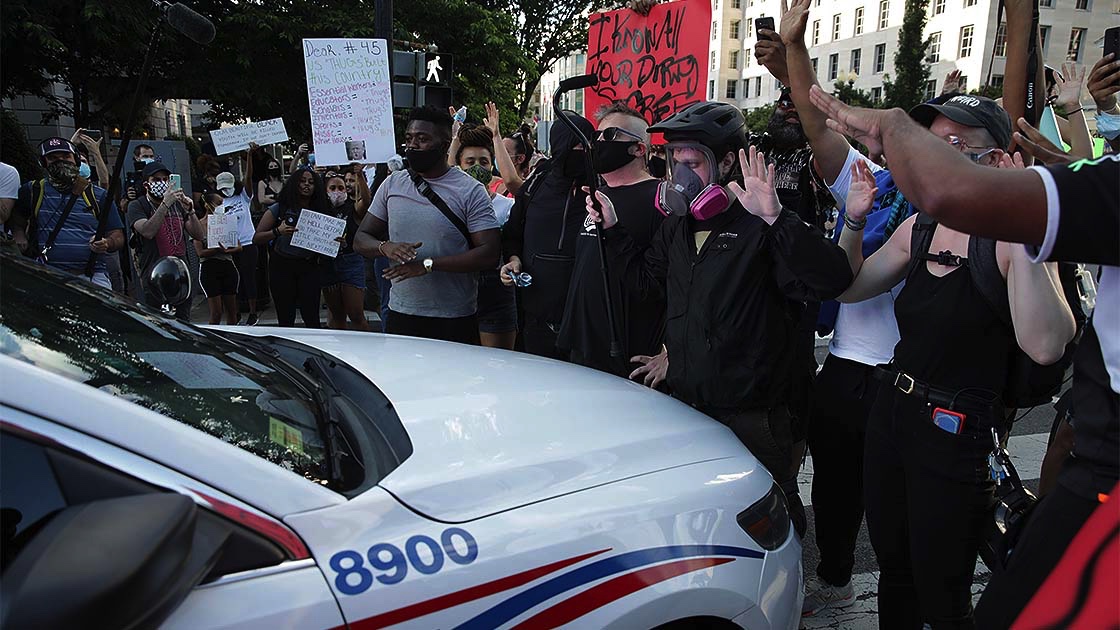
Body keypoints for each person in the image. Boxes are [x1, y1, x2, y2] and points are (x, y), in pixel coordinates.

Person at [809, 86, 1120, 630]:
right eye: (932, 143)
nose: (936, 157)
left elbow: (1046, 343)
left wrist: (1017, 227)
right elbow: (852, 287)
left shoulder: (1010, 241)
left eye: (956, 143)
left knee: (942, 585)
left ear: (996, 159)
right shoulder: (920, 226)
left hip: (959, 432)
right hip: (893, 413)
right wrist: (854, 221)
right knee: (893, 567)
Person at [586, 101, 853, 540]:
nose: (681, 172)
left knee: (771, 518)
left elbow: (831, 280)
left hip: (756, 415)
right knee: (708, 519)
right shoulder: (676, 227)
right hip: (692, 406)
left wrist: (776, 219)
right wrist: (613, 231)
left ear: (727, 161)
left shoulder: (762, 220)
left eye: (693, 161)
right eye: (674, 160)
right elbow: (646, 287)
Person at [766, 5, 916, 616]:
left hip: (910, 379)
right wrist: (795, 56)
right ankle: (833, 577)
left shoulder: (958, 205)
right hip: (848, 369)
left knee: (897, 498)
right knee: (832, 487)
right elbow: (818, 125)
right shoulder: (872, 185)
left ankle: (905, 591)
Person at [354, 106, 501, 344]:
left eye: (422, 139)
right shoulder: (393, 184)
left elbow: (489, 254)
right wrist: (385, 247)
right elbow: (361, 239)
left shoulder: (470, 190)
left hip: (454, 319)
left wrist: (428, 264)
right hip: (401, 314)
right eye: (409, 139)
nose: (413, 145)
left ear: (444, 145)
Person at [556, 102, 665, 376]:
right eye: (597, 135)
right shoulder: (595, 195)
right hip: (581, 346)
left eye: (611, 135)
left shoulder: (661, 199)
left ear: (639, 148)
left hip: (627, 354)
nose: (598, 142)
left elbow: (664, 283)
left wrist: (669, 349)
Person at [500, 110, 594, 358]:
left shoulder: (602, 189)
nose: (583, 151)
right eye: (576, 145)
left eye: (588, 144)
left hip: (587, 324)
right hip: (536, 320)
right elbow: (512, 234)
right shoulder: (535, 186)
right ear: (560, 145)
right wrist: (513, 259)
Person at [10, 137, 124, 289]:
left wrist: (107, 243)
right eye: (53, 158)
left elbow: (117, 235)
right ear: (44, 163)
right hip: (46, 274)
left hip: (91, 275)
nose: (61, 161)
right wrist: (19, 234)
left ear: (76, 159)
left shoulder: (98, 195)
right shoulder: (32, 191)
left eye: (66, 156)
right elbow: (17, 219)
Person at [455, 125, 518, 349]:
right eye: (470, 162)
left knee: (498, 365)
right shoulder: (450, 207)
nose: (477, 167)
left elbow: (514, 245)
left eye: (483, 162)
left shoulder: (508, 206)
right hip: (458, 288)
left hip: (496, 289)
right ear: (459, 166)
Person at [126, 161, 205, 319]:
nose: (162, 183)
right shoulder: (137, 205)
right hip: (155, 275)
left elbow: (198, 235)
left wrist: (190, 212)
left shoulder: (178, 205)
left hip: (181, 274)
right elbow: (147, 231)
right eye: (156, 180)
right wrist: (165, 204)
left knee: (183, 320)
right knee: (158, 321)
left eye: (166, 179)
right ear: (146, 185)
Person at [253, 168, 327, 328]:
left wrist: (336, 241)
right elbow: (257, 238)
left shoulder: (321, 209)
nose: (306, 185)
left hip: (309, 267)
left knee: (312, 318)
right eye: (302, 181)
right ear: (294, 183)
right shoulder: (279, 208)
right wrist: (277, 231)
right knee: (286, 318)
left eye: (311, 182)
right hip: (282, 267)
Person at [322, 167, 372, 331]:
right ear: (326, 191)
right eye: (333, 188)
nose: (337, 191)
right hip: (328, 263)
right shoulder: (321, 209)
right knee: (337, 316)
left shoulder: (353, 207)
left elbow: (366, 201)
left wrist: (360, 177)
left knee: (356, 315)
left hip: (350, 261)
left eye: (341, 188)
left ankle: (369, 350)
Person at [215, 147, 260, 325]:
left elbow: (249, 177)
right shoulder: (219, 201)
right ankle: (235, 312)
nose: (226, 190)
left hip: (248, 242)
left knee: (249, 277)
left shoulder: (243, 197)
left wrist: (248, 156)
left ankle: (253, 312)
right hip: (230, 245)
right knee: (233, 280)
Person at [194, 193, 241, 324]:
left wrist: (227, 250)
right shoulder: (199, 225)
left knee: (231, 311)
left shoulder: (227, 221)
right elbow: (200, 252)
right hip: (209, 267)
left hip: (227, 265)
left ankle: (233, 337)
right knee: (216, 312)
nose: (222, 206)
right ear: (207, 205)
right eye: (219, 203)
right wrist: (215, 249)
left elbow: (238, 246)